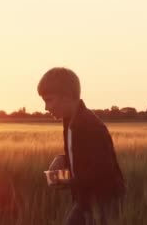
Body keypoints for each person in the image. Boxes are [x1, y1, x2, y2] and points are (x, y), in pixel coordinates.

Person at [38, 67, 125, 225]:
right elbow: (82, 155)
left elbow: (104, 167)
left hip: (103, 200)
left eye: (49, 100)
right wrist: (62, 159)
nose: (46, 107)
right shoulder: (69, 121)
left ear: (67, 96)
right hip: (85, 198)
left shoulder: (89, 125)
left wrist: (70, 181)